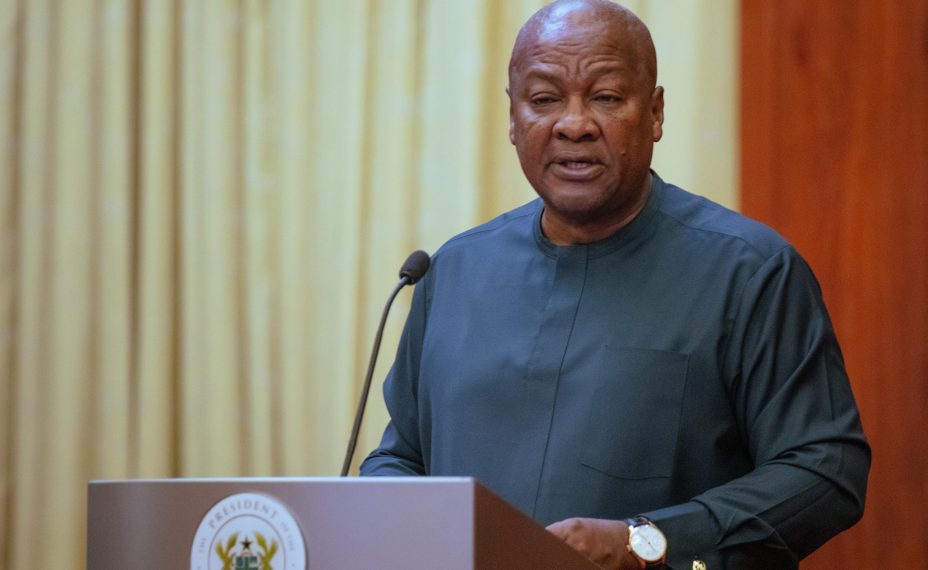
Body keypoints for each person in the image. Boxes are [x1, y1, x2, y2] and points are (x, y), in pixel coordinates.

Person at [360, 1, 870, 568]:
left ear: (655, 113)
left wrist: (645, 543)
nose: (574, 124)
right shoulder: (453, 270)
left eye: (605, 97)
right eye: (544, 100)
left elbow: (825, 470)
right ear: (513, 118)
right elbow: (399, 458)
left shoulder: (749, 271)